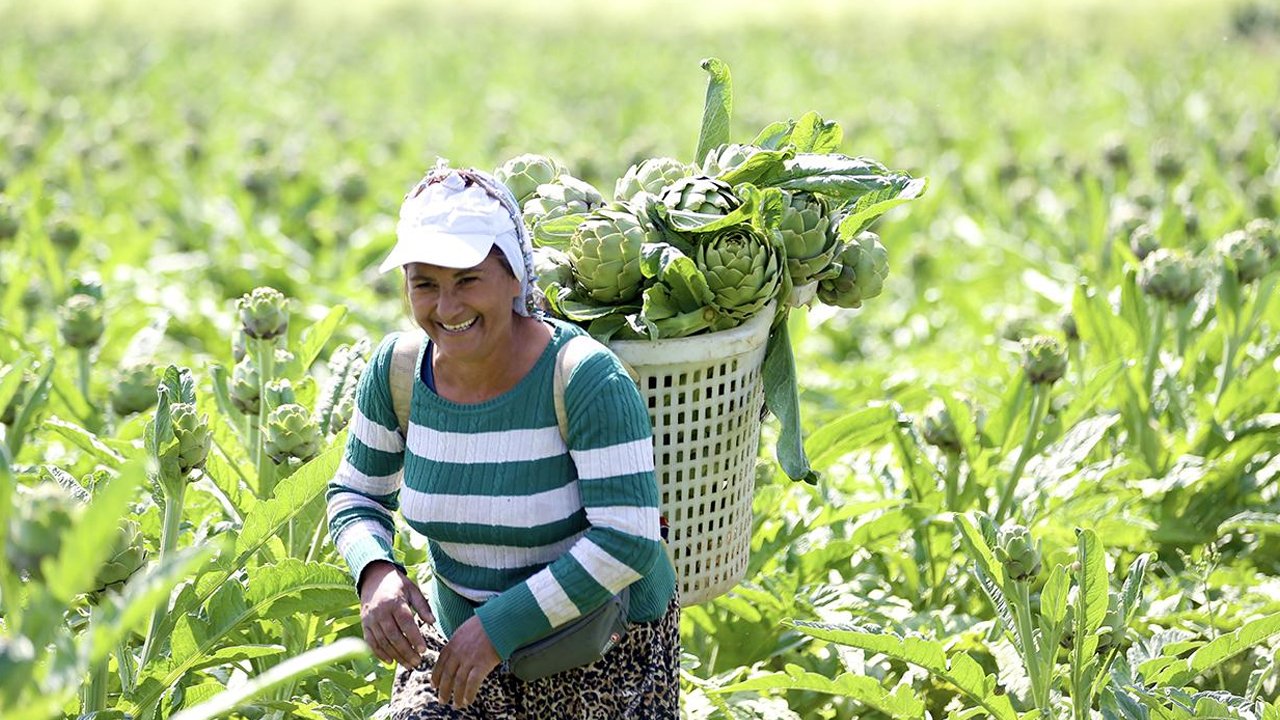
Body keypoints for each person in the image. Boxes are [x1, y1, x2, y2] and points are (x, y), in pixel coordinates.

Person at [326, 162, 680, 719]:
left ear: (513, 276)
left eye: (468, 280)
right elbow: (355, 495)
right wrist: (376, 571)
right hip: (461, 638)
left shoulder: (584, 378)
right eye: (425, 284)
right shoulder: (396, 373)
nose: (447, 308)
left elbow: (627, 539)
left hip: (600, 645)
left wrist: (498, 629)